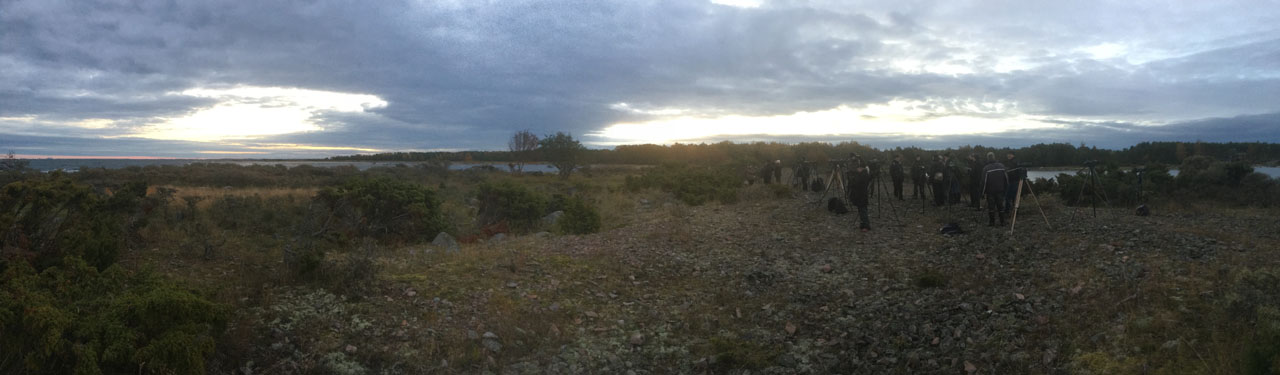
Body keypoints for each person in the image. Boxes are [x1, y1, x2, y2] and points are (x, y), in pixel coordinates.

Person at [982, 152, 1009, 226]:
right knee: (1000, 206)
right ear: (994, 157)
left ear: (988, 158)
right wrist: (1006, 189)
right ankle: (1002, 222)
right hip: (1000, 190)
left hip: (990, 191)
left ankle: (992, 222)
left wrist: (982, 193)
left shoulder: (986, 168)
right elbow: (1006, 179)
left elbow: (984, 182)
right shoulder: (1001, 166)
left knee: (991, 207)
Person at [846, 161, 873, 231]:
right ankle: (863, 224)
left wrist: (851, 178)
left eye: (858, 168)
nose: (857, 170)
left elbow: (856, 183)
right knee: (862, 210)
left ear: (861, 168)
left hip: (861, 196)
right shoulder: (864, 174)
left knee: (863, 211)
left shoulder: (863, 175)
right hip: (861, 195)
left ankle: (866, 226)